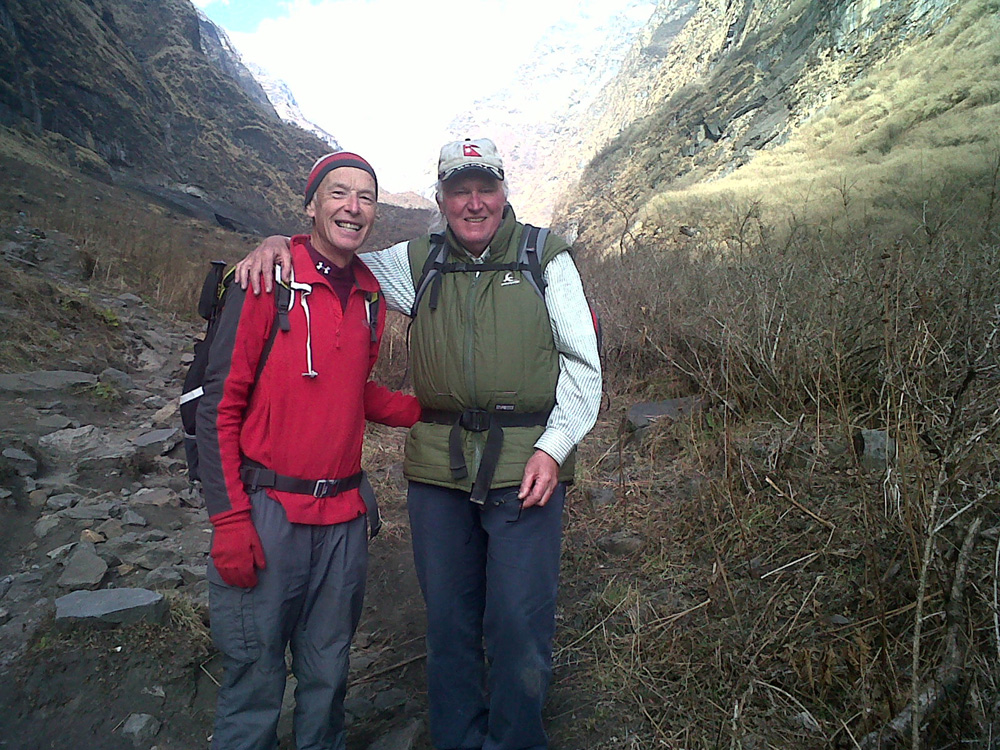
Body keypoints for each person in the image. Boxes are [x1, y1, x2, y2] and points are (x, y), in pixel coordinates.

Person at [236, 138, 602, 750]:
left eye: (486, 187)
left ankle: (515, 738)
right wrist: (282, 245)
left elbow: (583, 364)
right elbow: (337, 255)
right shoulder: (416, 260)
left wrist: (555, 445)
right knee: (449, 621)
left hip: (527, 465)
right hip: (437, 467)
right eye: (460, 189)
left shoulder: (546, 256)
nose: (475, 202)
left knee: (518, 620)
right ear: (442, 198)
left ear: (504, 191)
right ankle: (458, 737)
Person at [197, 151, 422, 750]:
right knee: (255, 674)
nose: (353, 207)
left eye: (366, 197)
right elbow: (219, 405)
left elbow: (351, 389)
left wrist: (422, 410)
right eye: (339, 193)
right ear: (312, 204)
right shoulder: (265, 281)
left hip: (344, 519)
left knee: (329, 672)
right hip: (269, 512)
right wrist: (228, 520)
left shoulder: (372, 297)